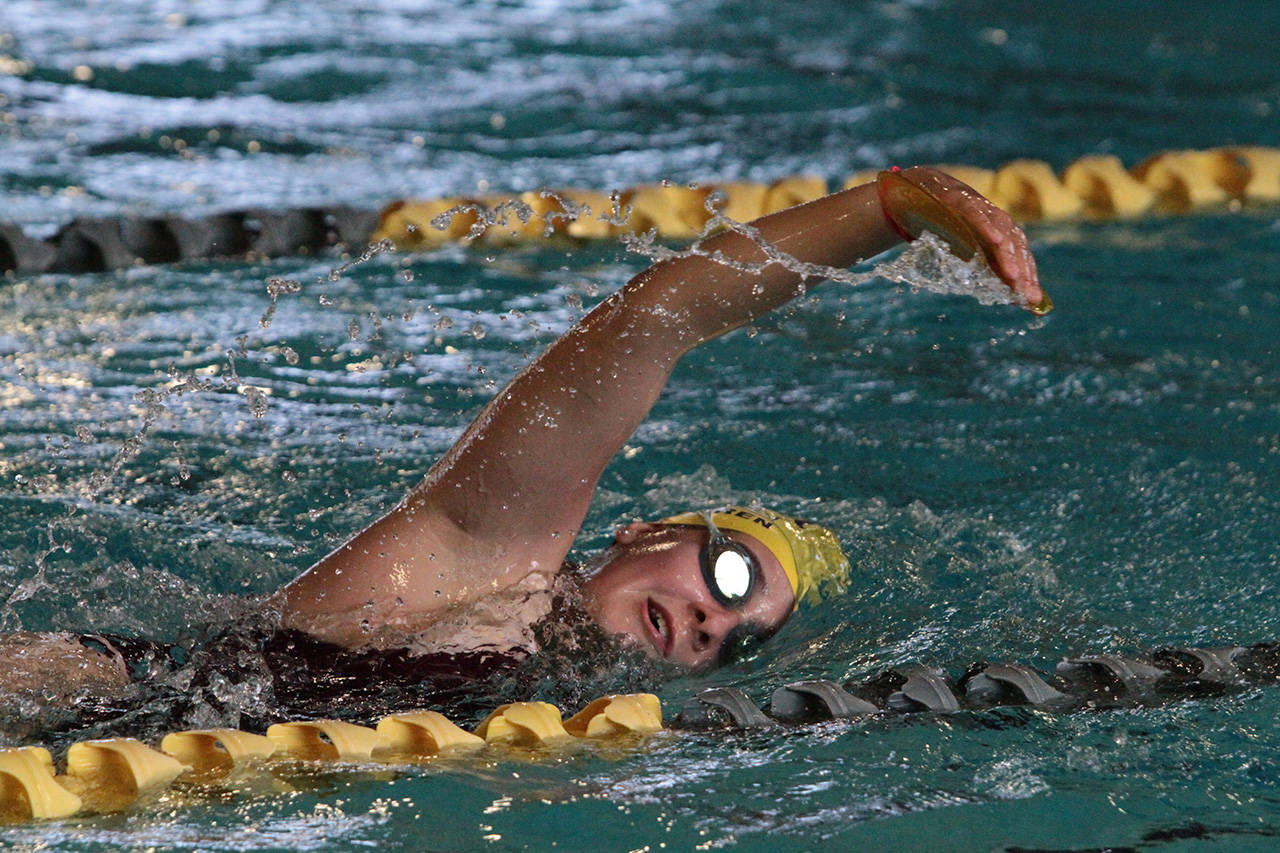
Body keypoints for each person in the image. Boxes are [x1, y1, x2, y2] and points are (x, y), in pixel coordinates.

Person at [1, 167, 1046, 721]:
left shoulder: (555, 720)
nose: (705, 623)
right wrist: (887, 210)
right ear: (643, 531)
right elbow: (651, 321)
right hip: (87, 698)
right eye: (728, 570)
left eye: (737, 637)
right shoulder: (483, 561)